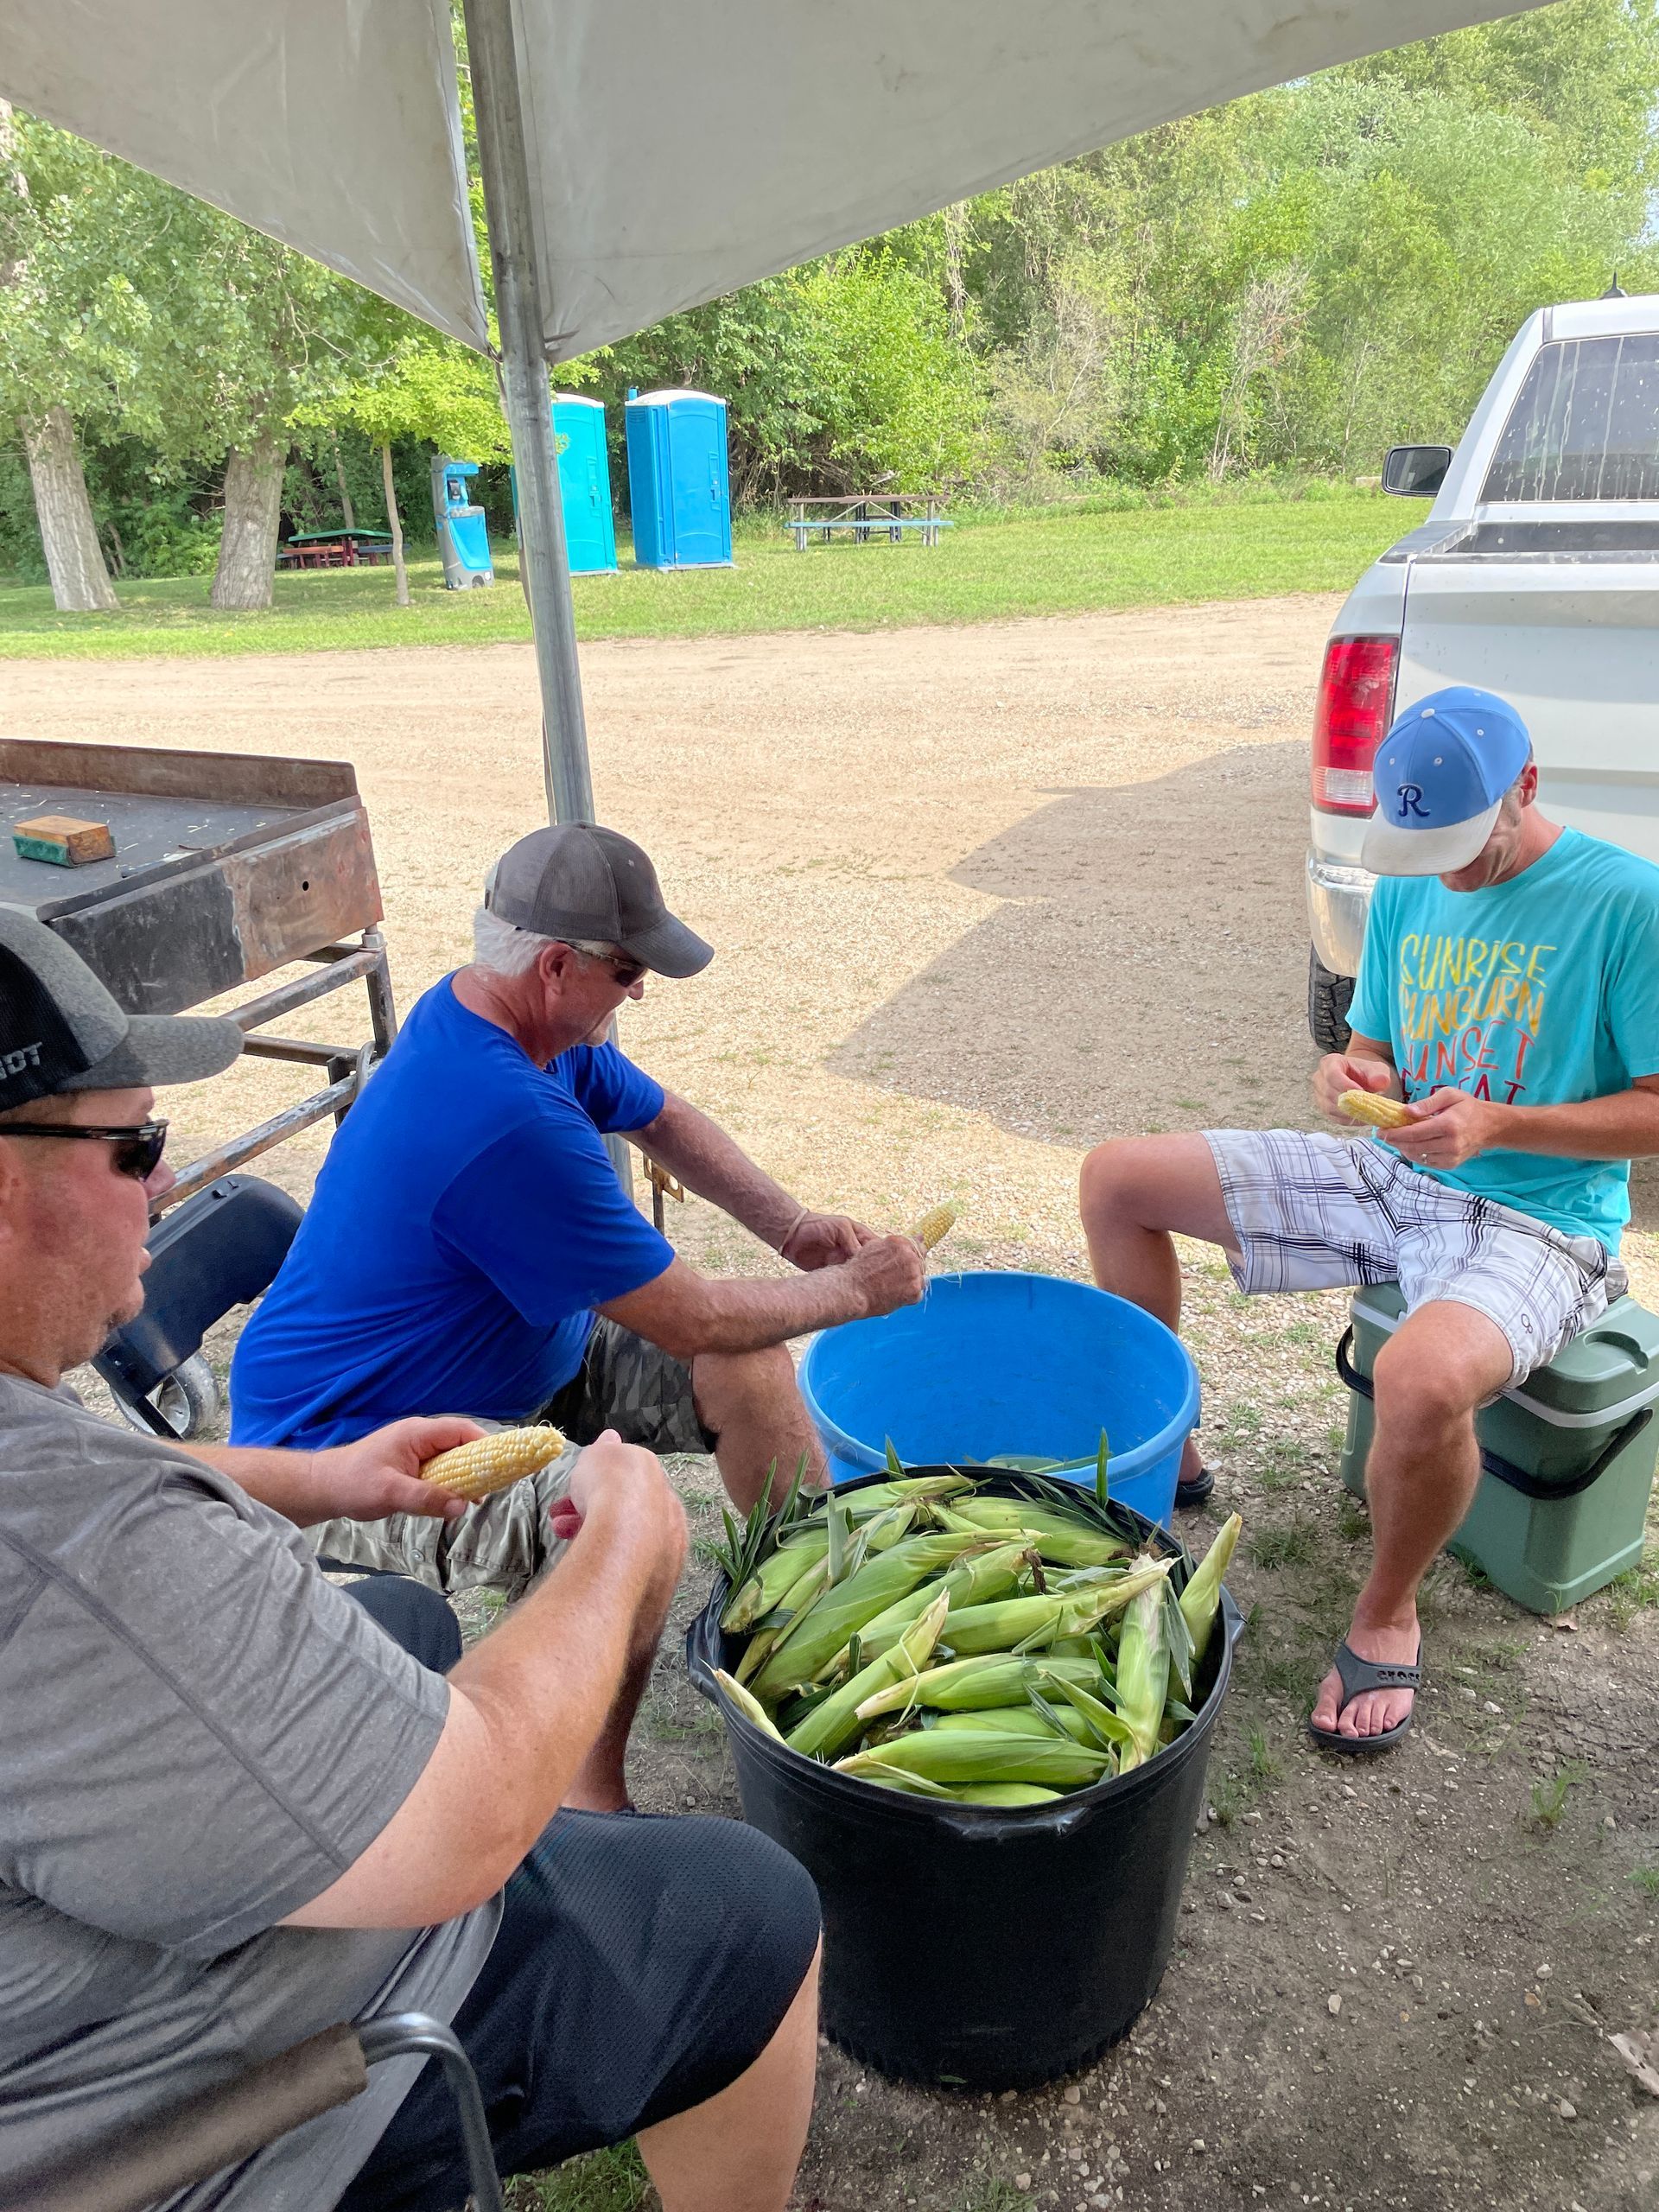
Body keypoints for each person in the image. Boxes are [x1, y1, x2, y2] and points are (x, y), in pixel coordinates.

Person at [0, 905, 821, 2212]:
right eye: (137, 1145)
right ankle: (607, 1823)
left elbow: (88, 1487)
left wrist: (308, 1486)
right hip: (213, 2102)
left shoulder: (46, 1474)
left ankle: (611, 1774)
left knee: (404, 1616)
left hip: (87, 1951)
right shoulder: (75, 1561)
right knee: (754, 1909)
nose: (167, 1183)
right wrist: (621, 1548)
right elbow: (475, 1822)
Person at [1079, 687, 1659, 1754]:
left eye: (1459, 844)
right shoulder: (1410, 886)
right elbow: (1378, 1044)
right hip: (1394, 1173)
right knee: (1117, 1179)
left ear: (1523, 788)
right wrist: (1352, 1072)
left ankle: (1389, 1607)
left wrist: (1502, 1125)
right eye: (1418, 843)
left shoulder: (1628, 903)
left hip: (1540, 1221)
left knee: (1422, 1377)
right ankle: (1178, 1459)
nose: (1440, 869)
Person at [229, 822, 925, 1597]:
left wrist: (791, 1227)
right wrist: (858, 1291)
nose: (639, 989)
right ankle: (555, 1713)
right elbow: (690, 1319)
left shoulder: (502, 1011)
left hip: (504, 1364)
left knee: (751, 1363)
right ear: (557, 965)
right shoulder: (506, 1118)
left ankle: (819, 1591)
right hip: (356, 1439)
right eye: (628, 970)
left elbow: (658, 1116)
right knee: (621, 1530)